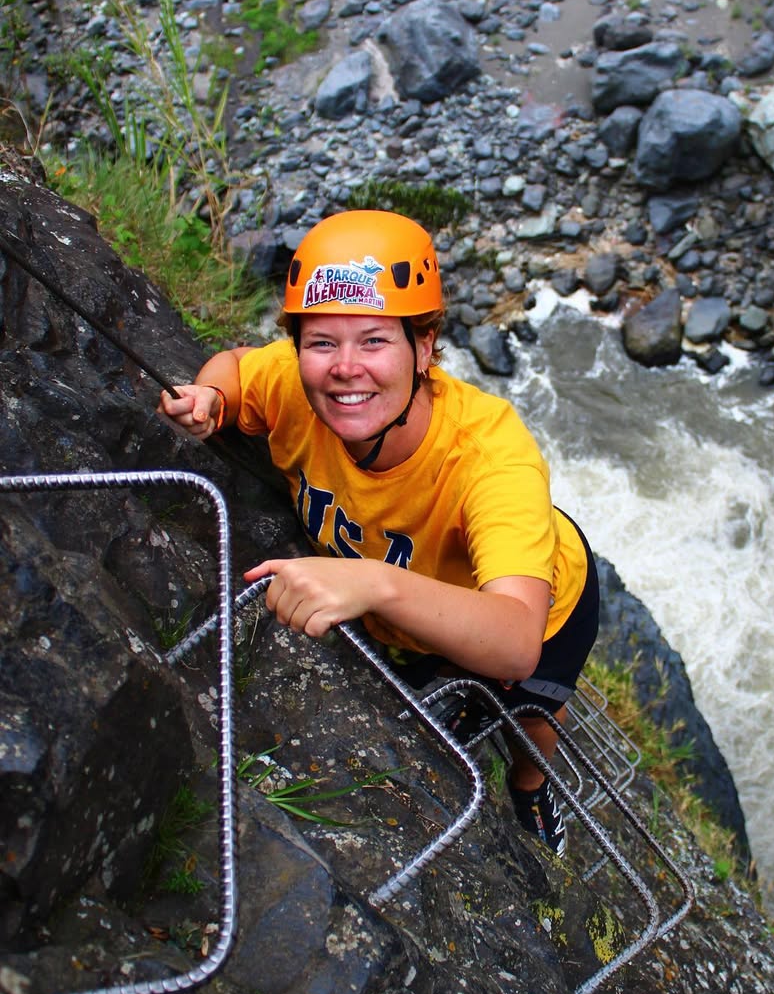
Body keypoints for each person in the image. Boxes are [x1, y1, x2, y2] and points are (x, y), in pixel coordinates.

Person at [160, 209, 599, 855]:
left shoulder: (488, 454)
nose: (344, 369)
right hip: (412, 611)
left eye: (373, 341)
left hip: (546, 606)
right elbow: (236, 366)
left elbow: (514, 642)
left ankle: (531, 789)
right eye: (321, 343)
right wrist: (210, 400)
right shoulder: (293, 384)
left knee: (530, 716)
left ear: (423, 348)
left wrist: (371, 583)